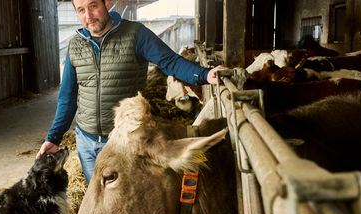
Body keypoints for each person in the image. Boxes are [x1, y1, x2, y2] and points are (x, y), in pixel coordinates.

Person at [36, 0, 227, 183]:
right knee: (95, 199)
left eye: (93, 6)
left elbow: (169, 61)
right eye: (81, 10)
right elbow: (67, 97)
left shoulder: (136, 34)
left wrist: (205, 74)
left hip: (123, 142)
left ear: (107, 3)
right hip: (86, 142)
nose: (88, 16)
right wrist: (54, 137)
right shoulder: (75, 46)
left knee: (126, 203)